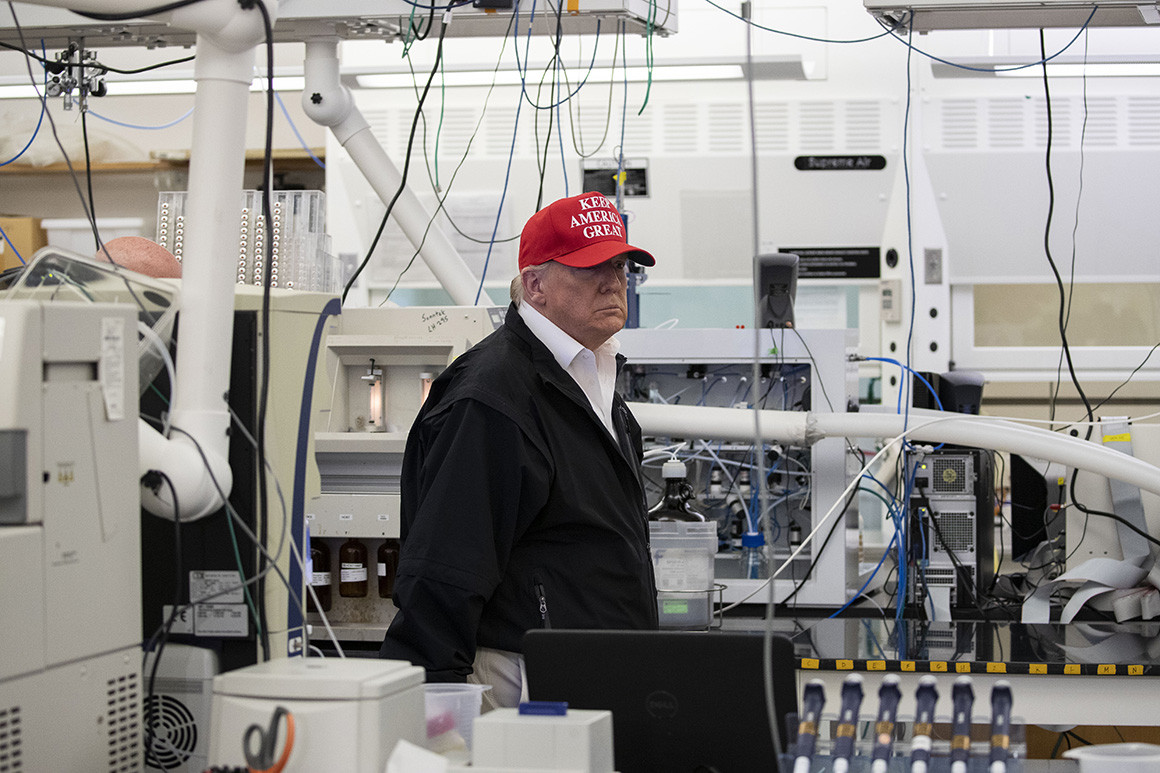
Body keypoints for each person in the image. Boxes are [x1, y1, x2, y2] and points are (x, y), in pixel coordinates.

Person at [379, 191, 659, 709]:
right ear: (535, 285)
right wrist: (435, 710)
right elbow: (446, 564)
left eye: (620, 265)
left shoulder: (595, 382)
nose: (613, 281)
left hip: (596, 667)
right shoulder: (491, 398)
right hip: (526, 677)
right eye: (591, 267)